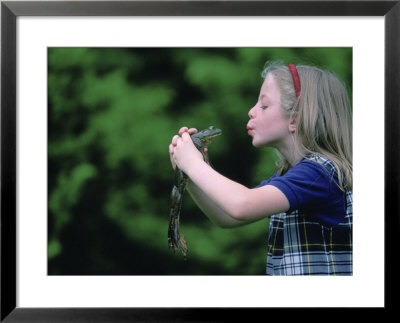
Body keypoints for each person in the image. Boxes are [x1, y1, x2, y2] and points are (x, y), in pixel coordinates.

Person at [168, 62, 352, 275]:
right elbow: (226, 217)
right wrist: (189, 173)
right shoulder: (289, 177)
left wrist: (193, 163)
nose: (251, 111)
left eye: (264, 106)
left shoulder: (319, 175)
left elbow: (240, 205)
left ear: (295, 118)